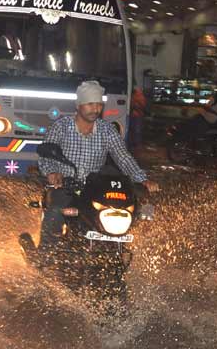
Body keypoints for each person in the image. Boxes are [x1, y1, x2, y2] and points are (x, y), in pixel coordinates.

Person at [38, 80, 158, 247]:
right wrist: (52, 173)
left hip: (94, 187)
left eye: (99, 105)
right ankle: (44, 254)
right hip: (64, 185)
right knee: (55, 212)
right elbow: (46, 154)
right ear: (79, 105)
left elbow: (122, 156)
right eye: (90, 104)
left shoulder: (106, 130)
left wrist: (142, 179)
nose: (95, 109)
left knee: (122, 209)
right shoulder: (61, 127)